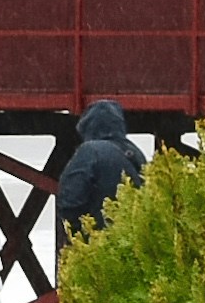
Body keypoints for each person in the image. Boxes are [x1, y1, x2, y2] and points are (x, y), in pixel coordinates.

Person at [46, 99, 142, 259]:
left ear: (87, 126)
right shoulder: (135, 153)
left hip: (99, 245)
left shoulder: (90, 151)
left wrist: (79, 234)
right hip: (131, 242)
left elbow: (69, 200)